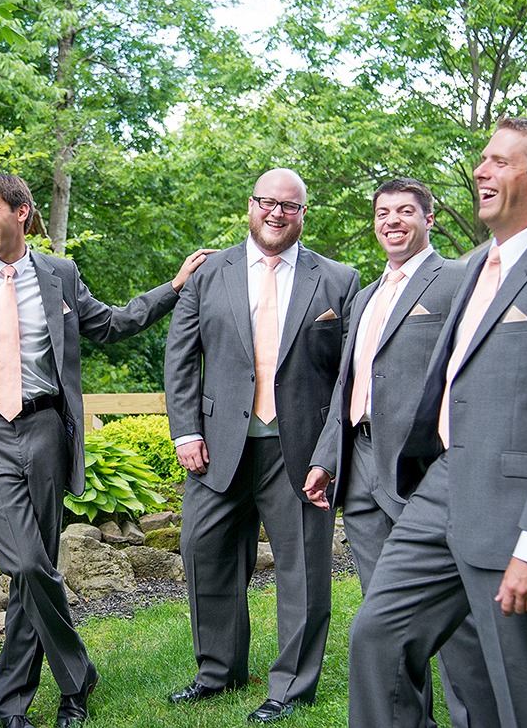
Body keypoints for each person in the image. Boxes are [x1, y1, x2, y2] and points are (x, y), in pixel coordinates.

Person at [0, 173, 211, 728]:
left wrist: (173, 288)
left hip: (45, 429)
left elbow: (109, 324)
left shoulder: (58, 273)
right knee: (27, 562)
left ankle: (12, 706)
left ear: (22, 212)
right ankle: (78, 674)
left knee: (37, 570)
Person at [348, 118, 527, 727]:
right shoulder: (472, 267)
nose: (481, 170)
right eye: (482, 160)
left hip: (517, 508)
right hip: (443, 487)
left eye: (500, 162)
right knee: (378, 638)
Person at [163, 168, 359, 724]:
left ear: (304, 213)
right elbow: (180, 357)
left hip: (297, 451)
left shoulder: (339, 280)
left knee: (302, 571)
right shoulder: (208, 274)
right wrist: (185, 430)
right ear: (250, 206)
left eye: (290, 206)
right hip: (217, 447)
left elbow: (346, 376)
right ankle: (217, 672)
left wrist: (328, 452)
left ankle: (291, 686)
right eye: (267, 203)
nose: (277, 213)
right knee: (206, 556)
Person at [303, 178, 496, 726]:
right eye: (384, 212)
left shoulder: (457, 279)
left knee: (450, 616)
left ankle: (475, 718)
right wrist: (326, 458)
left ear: (428, 220)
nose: (393, 220)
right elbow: (350, 383)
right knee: (384, 611)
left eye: (406, 211)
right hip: (359, 468)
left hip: (422, 469)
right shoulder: (363, 297)